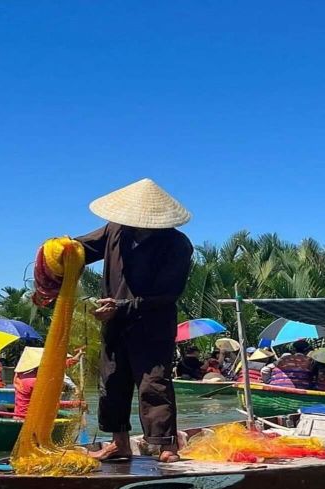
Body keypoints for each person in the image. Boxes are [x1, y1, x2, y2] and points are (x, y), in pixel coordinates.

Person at [35, 178, 193, 462]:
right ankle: (119, 443)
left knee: (153, 384)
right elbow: (83, 249)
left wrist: (121, 306)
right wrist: (60, 250)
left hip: (152, 325)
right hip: (115, 324)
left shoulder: (177, 245)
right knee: (112, 383)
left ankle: (167, 446)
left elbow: (168, 294)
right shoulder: (115, 230)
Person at [13, 347, 82, 418]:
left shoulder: (19, 375)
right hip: (31, 419)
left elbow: (59, 366)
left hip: (19, 415)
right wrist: (75, 404)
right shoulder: (35, 381)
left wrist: (75, 358)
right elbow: (50, 404)